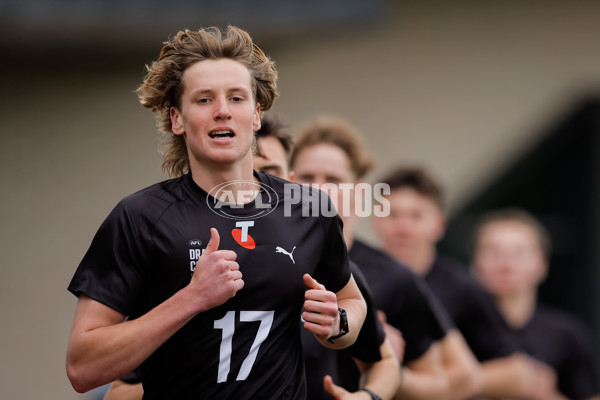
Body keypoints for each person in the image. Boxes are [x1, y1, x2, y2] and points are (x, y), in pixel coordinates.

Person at [66, 26, 366, 400]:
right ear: (177, 119)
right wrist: (192, 298)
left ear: (256, 115)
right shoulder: (139, 218)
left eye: (236, 98)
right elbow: (82, 367)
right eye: (204, 100)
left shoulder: (310, 209)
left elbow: (352, 302)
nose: (222, 111)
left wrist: (337, 323)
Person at [103, 113, 399, 400]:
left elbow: (383, 359)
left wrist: (367, 395)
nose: (256, 188)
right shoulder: (188, 269)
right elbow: (114, 389)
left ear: (291, 182)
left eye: (270, 174)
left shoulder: (333, 273)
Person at [290, 115, 465, 400]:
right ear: (289, 182)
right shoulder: (269, 257)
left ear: (359, 193)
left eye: (333, 179)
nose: (318, 189)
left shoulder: (394, 277)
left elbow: (451, 382)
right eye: (308, 177)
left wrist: (384, 372)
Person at [372, 165, 573, 399]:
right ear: (376, 218)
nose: (403, 228)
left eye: (416, 216)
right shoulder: (355, 275)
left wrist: (448, 379)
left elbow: (520, 372)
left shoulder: (463, 289)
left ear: (439, 224)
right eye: (392, 215)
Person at [471, 208, 600, 400]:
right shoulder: (449, 328)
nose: (505, 264)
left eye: (519, 253)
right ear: (475, 262)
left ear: (542, 265)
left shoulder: (567, 336)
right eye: (493, 251)